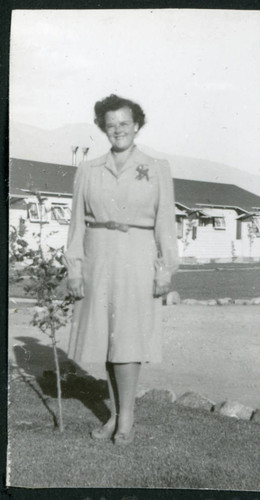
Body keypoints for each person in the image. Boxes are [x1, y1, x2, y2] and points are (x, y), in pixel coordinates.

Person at [65, 94, 179, 445]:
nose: (117, 130)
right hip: (98, 258)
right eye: (110, 124)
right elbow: (76, 227)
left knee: (128, 338)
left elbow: (166, 224)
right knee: (106, 339)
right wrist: (74, 269)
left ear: (137, 125)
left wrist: (165, 269)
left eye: (124, 123)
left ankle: (126, 418)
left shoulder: (157, 167)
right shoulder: (88, 170)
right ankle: (114, 415)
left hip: (138, 258)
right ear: (103, 127)